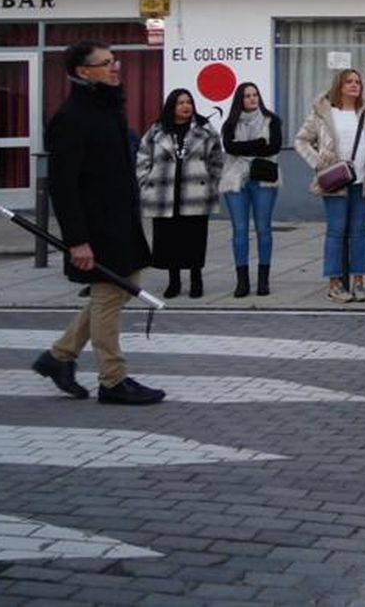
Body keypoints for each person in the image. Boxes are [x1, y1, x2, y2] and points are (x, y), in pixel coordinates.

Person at [31, 41, 165, 405]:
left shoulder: (109, 107)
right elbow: (63, 186)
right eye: (105, 63)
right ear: (83, 72)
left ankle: (59, 357)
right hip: (97, 227)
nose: (115, 66)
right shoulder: (71, 118)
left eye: (114, 60)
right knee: (107, 297)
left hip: (122, 221)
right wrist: (77, 240)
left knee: (120, 290)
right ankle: (113, 380)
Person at [294, 68, 365, 303]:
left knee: (359, 233)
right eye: (349, 81)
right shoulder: (323, 112)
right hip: (336, 182)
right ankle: (334, 284)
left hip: (363, 180)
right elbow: (301, 141)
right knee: (336, 232)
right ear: (339, 85)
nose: (355, 85)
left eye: (358, 81)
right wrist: (320, 164)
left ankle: (359, 282)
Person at [137, 89, 223, 300]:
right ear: (171, 106)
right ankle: (173, 281)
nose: (185, 106)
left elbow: (217, 160)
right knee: (169, 241)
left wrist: (211, 182)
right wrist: (145, 182)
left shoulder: (205, 130)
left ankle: (196, 280)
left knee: (194, 239)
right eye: (180, 103)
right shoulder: (157, 130)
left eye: (188, 102)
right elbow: (143, 157)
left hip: (195, 193)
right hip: (164, 193)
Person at [219, 82, 282, 298]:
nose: (252, 98)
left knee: (263, 228)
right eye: (247, 96)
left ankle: (263, 281)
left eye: (255, 94)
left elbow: (273, 147)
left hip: (263, 178)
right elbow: (230, 147)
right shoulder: (230, 123)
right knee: (239, 229)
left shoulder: (272, 120)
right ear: (240, 99)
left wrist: (244, 147)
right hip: (235, 179)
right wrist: (258, 143)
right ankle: (242, 282)